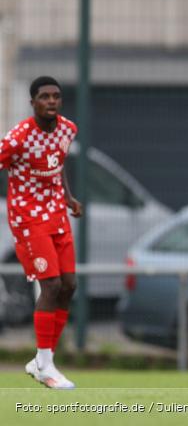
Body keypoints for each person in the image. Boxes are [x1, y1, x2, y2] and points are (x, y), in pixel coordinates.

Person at [0, 76, 82, 389]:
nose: (51, 101)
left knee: (69, 285)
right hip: (28, 218)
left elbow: (57, 161)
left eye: (56, 96)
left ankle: (43, 361)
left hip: (57, 215)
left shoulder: (67, 129)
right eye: (44, 96)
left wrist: (68, 196)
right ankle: (45, 365)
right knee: (52, 285)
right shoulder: (18, 137)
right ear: (33, 102)